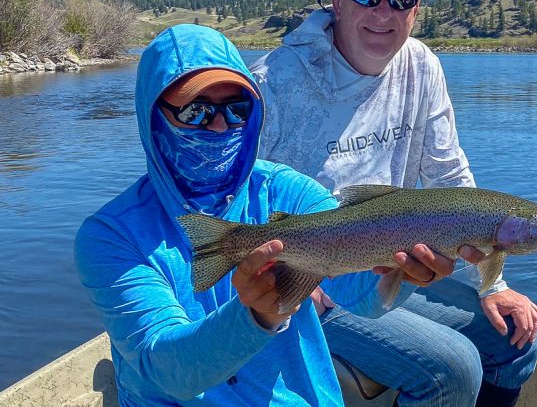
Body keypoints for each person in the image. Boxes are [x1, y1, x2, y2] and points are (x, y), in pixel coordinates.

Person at [75, 24, 458, 405]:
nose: (221, 125)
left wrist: (403, 269)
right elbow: (168, 371)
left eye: (236, 109)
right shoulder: (112, 236)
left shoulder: (286, 192)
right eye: (197, 112)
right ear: (154, 118)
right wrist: (255, 318)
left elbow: (361, 300)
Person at [252, 0, 537, 406]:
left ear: (416, 8)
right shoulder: (271, 83)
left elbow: (452, 183)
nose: (383, 12)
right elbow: (238, 194)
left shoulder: (422, 66)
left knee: (517, 341)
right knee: (453, 368)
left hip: (393, 264)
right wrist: (288, 278)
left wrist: (495, 285)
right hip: (308, 277)